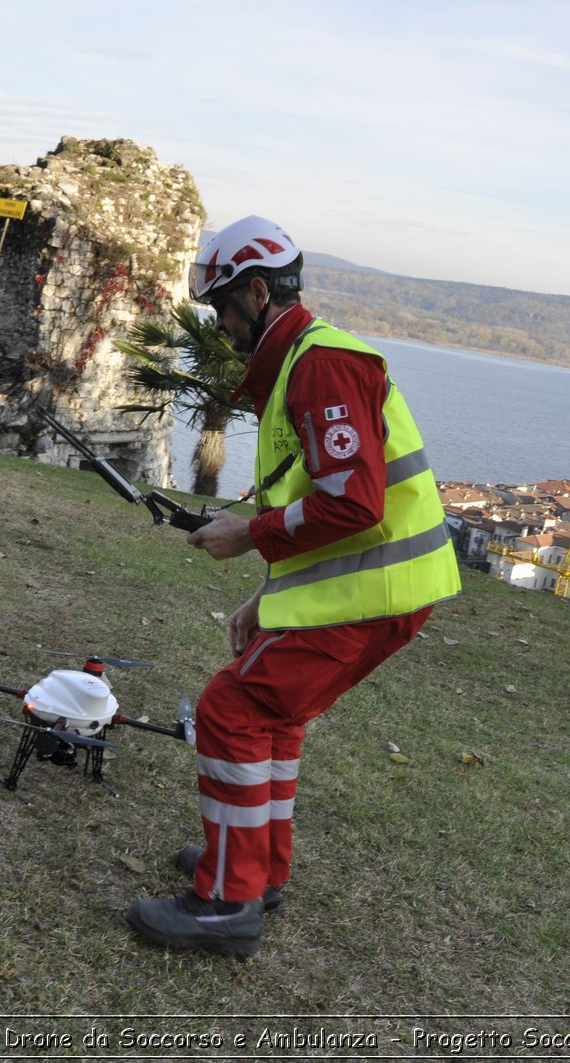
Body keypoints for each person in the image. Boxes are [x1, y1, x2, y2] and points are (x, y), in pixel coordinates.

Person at [124, 216, 461, 957]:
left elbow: (353, 503)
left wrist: (246, 534)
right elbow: (318, 500)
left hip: (378, 595)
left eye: (223, 310)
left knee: (233, 708)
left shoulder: (321, 365)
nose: (221, 327)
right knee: (271, 714)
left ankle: (226, 903)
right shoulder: (301, 361)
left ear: (257, 291)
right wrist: (262, 596)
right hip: (380, 591)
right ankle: (258, 872)